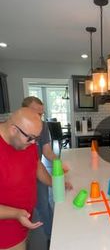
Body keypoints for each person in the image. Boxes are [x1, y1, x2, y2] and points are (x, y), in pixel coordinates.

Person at [0, 107, 54, 250]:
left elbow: (37, 166)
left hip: (24, 220)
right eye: (30, 138)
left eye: (36, 138)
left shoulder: (23, 142)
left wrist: (54, 182)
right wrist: (17, 214)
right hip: (5, 230)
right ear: (13, 128)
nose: (33, 144)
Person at [22, 96, 71, 239]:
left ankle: (51, 238)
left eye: (41, 113)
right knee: (23, 209)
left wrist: (59, 163)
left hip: (37, 171)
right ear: (24, 110)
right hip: (18, 177)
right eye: (36, 113)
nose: (40, 117)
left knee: (44, 204)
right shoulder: (17, 128)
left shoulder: (42, 127)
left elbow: (47, 151)